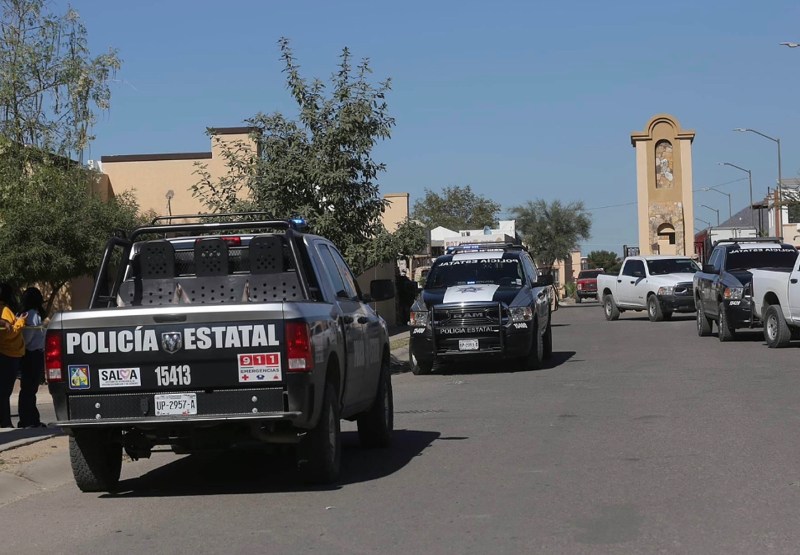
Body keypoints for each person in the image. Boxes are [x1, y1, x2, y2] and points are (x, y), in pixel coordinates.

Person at [18, 287, 46, 428]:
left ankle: (33, 419)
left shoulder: (34, 314)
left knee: (31, 389)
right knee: (28, 389)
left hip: (35, 354)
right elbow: (27, 339)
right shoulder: (30, 315)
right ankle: (27, 420)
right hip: (31, 355)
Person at [0, 283, 26, 428]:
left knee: (4, 390)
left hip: (9, 354)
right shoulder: (4, 311)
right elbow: (10, 333)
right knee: (5, 390)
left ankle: (5, 421)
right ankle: (5, 421)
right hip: (8, 354)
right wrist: (21, 322)